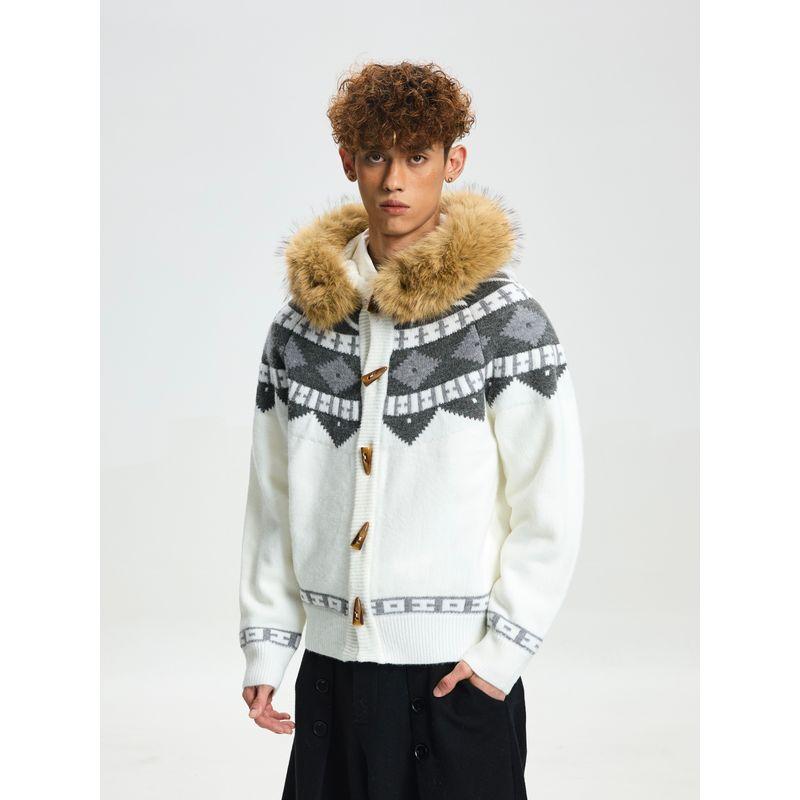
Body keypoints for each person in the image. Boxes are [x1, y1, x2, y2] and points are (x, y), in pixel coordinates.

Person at [238, 60, 585, 799]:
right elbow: (272, 500)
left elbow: (549, 503)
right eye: (375, 155)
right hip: (332, 674)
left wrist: (500, 655)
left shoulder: (505, 323)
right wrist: (268, 645)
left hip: (454, 676)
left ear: (453, 163)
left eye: (417, 156)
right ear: (348, 162)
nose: (394, 179)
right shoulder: (298, 331)